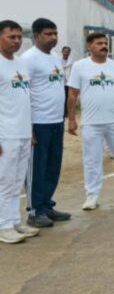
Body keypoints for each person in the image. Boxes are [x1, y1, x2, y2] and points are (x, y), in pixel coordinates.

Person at [67, 33, 114, 209]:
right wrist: (71, 119)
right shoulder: (80, 66)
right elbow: (72, 94)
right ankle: (92, 195)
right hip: (91, 122)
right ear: (89, 47)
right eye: (99, 43)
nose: (103, 46)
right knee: (91, 159)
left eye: (105, 43)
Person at [20, 18, 71, 227]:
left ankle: (46, 205)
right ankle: (35, 211)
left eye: (55, 33)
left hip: (56, 120)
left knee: (53, 165)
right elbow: (23, 93)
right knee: (37, 168)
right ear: (37, 36)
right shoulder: (28, 59)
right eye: (49, 34)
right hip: (38, 122)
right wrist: (29, 126)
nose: (54, 38)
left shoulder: (55, 58)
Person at [0, 20, 39, 244]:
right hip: (5, 133)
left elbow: (25, 100)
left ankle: (14, 221)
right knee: (4, 181)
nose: (16, 41)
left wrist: (31, 130)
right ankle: (3, 226)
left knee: (17, 182)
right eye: (11, 37)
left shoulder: (20, 63)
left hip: (23, 131)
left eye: (18, 37)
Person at [61, 46, 73, 117]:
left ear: (69, 53)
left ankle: (67, 112)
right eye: (64, 51)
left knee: (68, 98)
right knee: (62, 98)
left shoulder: (71, 62)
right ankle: (62, 112)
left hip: (68, 83)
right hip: (61, 83)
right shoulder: (58, 60)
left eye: (67, 52)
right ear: (62, 52)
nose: (66, 53)